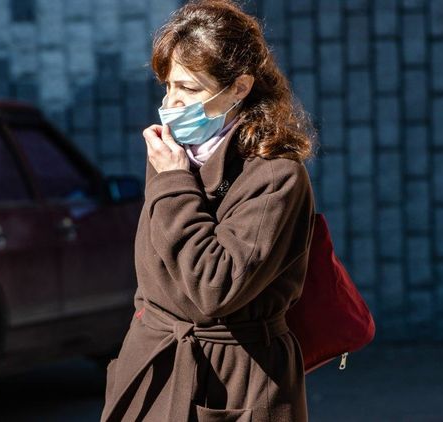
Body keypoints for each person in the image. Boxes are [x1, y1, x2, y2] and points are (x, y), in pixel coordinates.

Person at [100, 1, 316, 420]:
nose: (172, 103)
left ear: (239, 87)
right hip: (153, 366)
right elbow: (155, 275)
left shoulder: (275, 175)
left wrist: (173, 182)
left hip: (237, 380)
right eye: (168, 86)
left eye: (190, 89)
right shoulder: (175, 153)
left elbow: (213, 289)